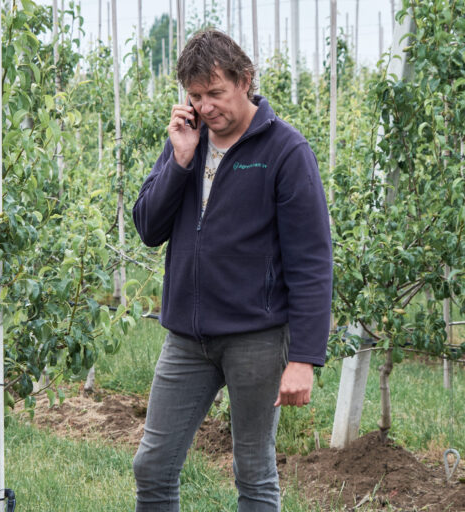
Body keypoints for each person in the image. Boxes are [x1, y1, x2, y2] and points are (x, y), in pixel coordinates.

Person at [131, 29, 332, 512]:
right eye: (195, 96)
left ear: (245, 81)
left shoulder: (285, 151)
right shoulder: (187, 141)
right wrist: (178, 161)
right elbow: (148, 227)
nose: (205, 106)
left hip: (256, 337)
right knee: (152, 466)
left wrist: (304, 358)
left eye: (215, 93)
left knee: (253, 469)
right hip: (186, 337)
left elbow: (312, 261)